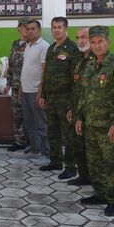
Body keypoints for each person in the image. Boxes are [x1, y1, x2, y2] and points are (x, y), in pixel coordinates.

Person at [75, 26, 114, 217]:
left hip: (108, 126)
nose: (96, 46)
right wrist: (79, 116)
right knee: (94, 162)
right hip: (90, 124)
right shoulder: (89, 65)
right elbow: (83, 94)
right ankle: (100, 193)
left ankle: (113, 200)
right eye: (93, 42)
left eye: (100, 42)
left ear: (108, 42)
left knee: (110, 164)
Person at [39, 17, 79, 179]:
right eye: (54, 27)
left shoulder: (72, 49)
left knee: (68, 134)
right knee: (52, 131)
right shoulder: (51, 49)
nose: (56, 30)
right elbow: (46, 73)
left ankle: (71, 166)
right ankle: (55, 160)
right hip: (52, 98)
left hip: (65, 99)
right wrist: (43, 95)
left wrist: (71, 104)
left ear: (65, 29)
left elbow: (74, 78)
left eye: (59, 27)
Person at [20, 19, 50, 162]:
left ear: (39, 30)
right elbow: (26, 69)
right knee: (29, 122)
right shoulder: (28, 46)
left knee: (41, 123)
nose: (30, 31)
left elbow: (45, 71)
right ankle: (35, 149)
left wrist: (41, 92)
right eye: (28, 29)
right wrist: (21, 88)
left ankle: (45, 153)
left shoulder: (44, 46)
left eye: (33, 29)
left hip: (35, 91)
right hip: (26, 91)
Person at [66, 27, 92, 186]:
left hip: (92, 113)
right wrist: (71, 108)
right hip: (77, 110)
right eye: (78, 38)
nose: (81, 41)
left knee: (92, 151)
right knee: (79, 147)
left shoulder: (98, 60)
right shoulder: (78, 58)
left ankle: (99, 184)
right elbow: (74, 86)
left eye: (84, 37)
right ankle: (84, 176)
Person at [4, 18, 30, 152]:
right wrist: (8, 83)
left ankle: (32, 142)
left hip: (29, 87)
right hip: (15, 85)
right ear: (19, 28)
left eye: (29, 27)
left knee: (30, 115)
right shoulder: (15, 44)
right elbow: (11, 65)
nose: (27, 30)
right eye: (24, 27)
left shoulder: (32, 45)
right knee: (17, 114)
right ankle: (20, 141)